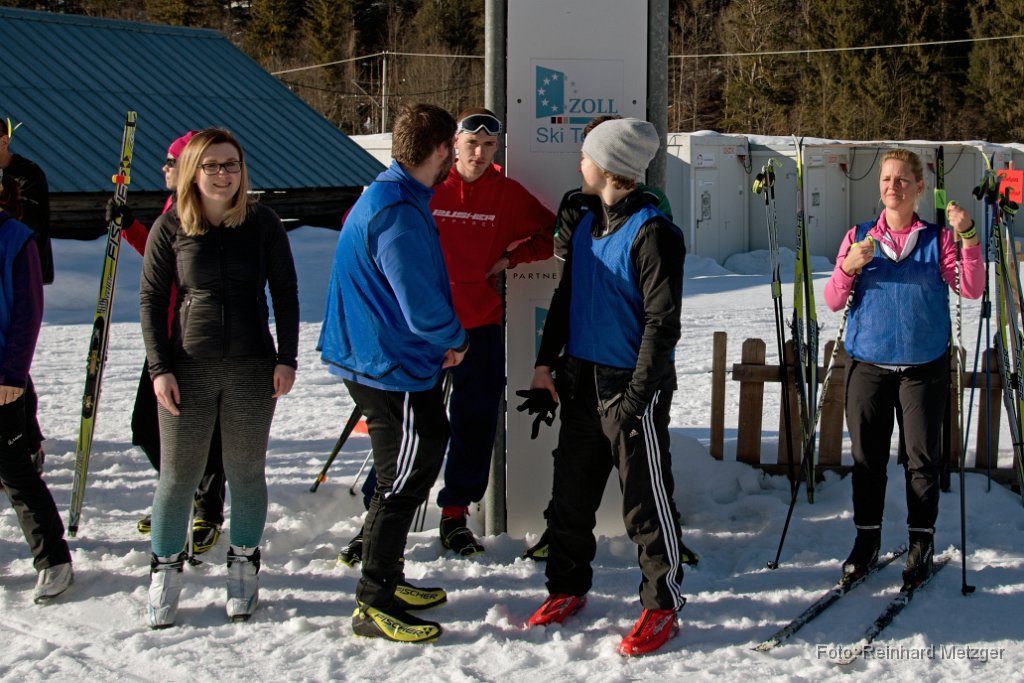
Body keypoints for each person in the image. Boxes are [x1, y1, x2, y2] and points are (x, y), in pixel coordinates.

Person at [338, 108, 554, 563]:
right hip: (419, 333)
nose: (478, 153)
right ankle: (377, 523)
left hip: (477, 326)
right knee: (403, 433)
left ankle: (454, 514)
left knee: (474, 424)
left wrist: (512, 259)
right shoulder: (425, 188)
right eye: (470, 144)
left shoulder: (508, 194)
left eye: (488, 146)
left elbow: (554, 233)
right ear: (451, 146)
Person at [526, 118, 688, 657]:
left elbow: (662, 325)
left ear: (609, 165)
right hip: (580, 380)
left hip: (628, 387)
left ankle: (661, 607)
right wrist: (546, 363)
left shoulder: (653, 232)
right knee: (569, 498)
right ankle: (567, 589)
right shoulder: (586, 225)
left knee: (645, 504)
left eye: (585, 156)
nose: (578, 164)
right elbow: (566, 299)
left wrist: (636, 398)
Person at [318, 103, 466, 643]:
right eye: (451, 147)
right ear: (439, 150)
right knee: (401, 480)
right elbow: (420, 305)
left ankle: (390, 576)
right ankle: (373, 600)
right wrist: (454, 338)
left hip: (400, 362)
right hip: (387, 367)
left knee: (423, 455)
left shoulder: (399, 194)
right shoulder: (396, 210)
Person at [140, 128, 299, 628]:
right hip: (188, 365)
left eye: (231, 164)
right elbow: (149, 301)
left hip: (254, 366)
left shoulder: (262, 222)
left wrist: (286, 357)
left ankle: (244, 566)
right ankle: (165, 571)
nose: (223, 174)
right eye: (211, 165)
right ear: (192, 170)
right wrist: (159, 368)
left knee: (245, 471)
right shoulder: (171, 228)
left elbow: (287, 292)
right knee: (178, 476)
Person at [824, 148, 983, 589]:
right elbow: (835, 300)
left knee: (922, 461)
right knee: (868, 460)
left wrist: (967, 235)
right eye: (886, 179)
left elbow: (969, 289)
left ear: (918, 188)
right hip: (868, 364)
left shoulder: (938, 239)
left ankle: (920, 542)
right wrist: (849, 266)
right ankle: (866, 542)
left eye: (901, 180)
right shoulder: (859, 236)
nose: (891, 187)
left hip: (923, 367)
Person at [113, 130, 227, 553]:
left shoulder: (209, 214)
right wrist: (131, 227)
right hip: (164, 338)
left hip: (196, 340)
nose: (163, 168)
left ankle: (206, 509)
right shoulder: (171, 208)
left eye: (170, 161)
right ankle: (177, 496)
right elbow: (162, 260)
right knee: (147, 426)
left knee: (207, 429)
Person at [0, 168, 73, 603]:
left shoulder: (16, 239)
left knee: (14, 472)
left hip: (3, 380)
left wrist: (11, 375)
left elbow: (28, 315)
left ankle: (54, 560)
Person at [0, 117, 51, 474]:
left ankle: (26, 443)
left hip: (22, 267)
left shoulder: (26, 173)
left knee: (16, 366)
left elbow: (29, 222)